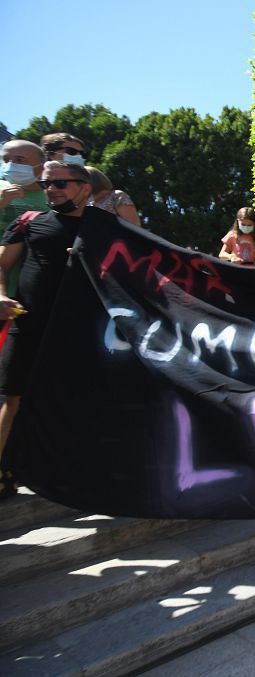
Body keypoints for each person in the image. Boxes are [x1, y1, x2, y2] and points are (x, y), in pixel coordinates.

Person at [0, 161, 121, 498]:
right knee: (14, 397)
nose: (50, 189)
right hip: (30, 322)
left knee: (80, 400)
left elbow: (127, 272)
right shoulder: (29, 222)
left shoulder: (107, 227)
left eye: (60, 184)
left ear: (84, 187)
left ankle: (79, 469)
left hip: (83, 329)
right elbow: (2, 264)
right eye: (46, 183)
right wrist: (1, 295)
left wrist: (94, 262)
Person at [1, 140, 48, 226]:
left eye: (20, 159)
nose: (11, 165)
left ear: (41, 167)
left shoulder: (55, 193)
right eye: (6, 159)